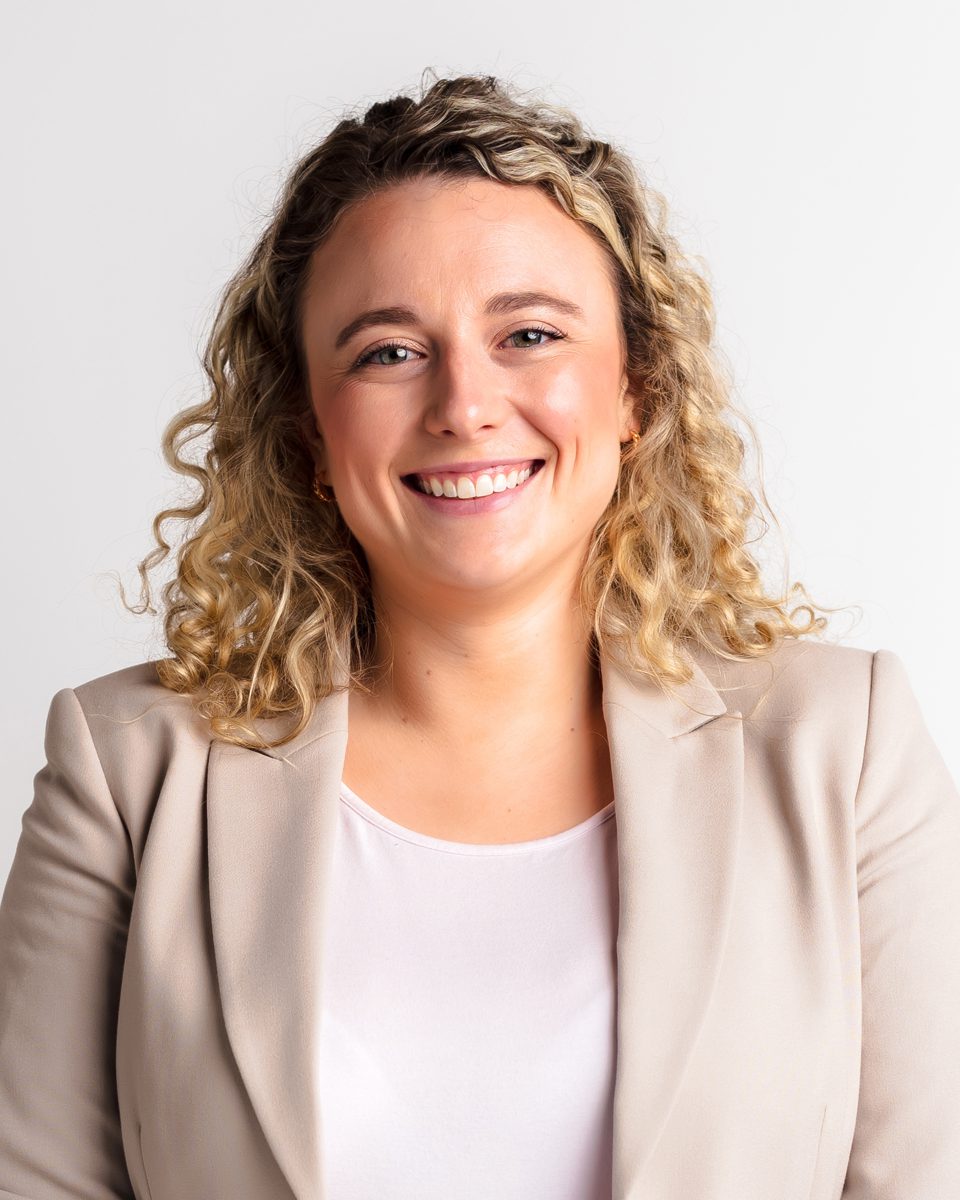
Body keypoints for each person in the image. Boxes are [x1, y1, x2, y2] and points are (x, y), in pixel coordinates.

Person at [1, 70, 958, 1200]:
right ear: (308, 428)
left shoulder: (843, 750)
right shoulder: (128, 773)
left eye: (531, 333)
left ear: (635, 393)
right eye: (388, 351)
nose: (464, 403)